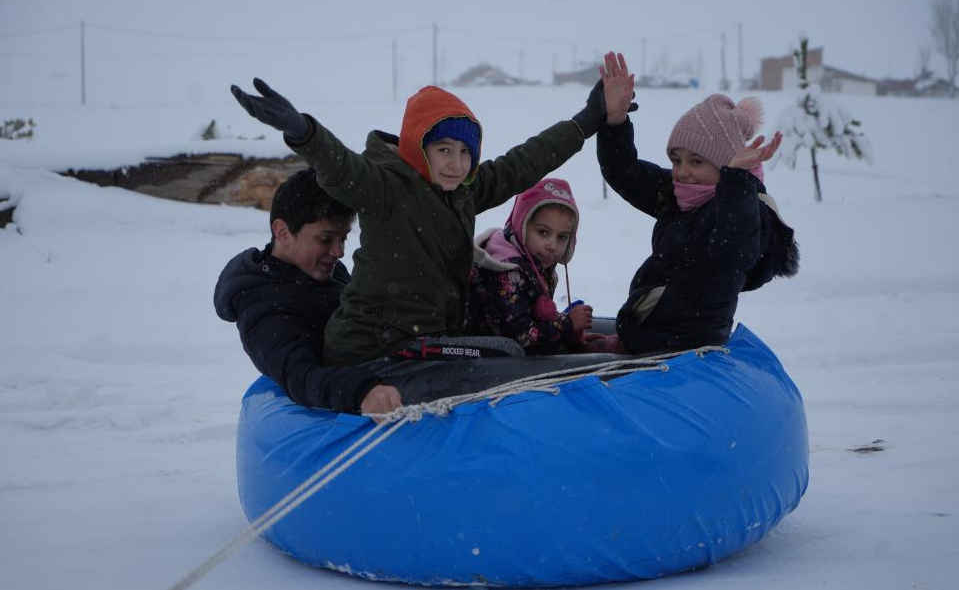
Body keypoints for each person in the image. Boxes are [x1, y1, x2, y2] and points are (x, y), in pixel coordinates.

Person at [231, 77, 610, 415]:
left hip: (425, 339)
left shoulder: (462, 192)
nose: (456, 163)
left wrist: (585, 122)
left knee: (506, 347)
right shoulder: (386, 189)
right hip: (378, 350)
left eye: (465, 152)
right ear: (418, 147)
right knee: (508, 356)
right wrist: (303, 132)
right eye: (444, 149)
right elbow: (342, 168)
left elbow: (521, 163)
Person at [596, 52, 799, 354]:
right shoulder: (680, 195)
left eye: (696, 161)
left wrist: (737, 179)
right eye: (676, 160)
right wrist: (615, 121)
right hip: (649, 335)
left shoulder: (744, 208)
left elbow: (734, 251)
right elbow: (624, 172)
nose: (683, 171)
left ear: (726, 165)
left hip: (686, 349)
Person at [213, 168, 378, 411]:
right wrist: (363, 391)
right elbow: (302, 377)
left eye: (343, 238)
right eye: (326, 239)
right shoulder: (264, 305)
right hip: (321, 410)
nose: (339, 251)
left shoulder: (325, 271)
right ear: (283, 233)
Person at [467, 177, 595, 354]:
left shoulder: (535, 261)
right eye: (543, 232)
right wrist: (567, 325)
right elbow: (521, 336)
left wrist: (569, 334)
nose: (552, 244)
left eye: (562, 237)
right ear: (522, 225)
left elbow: (533, 315)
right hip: (487, 359)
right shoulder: (505, 271)